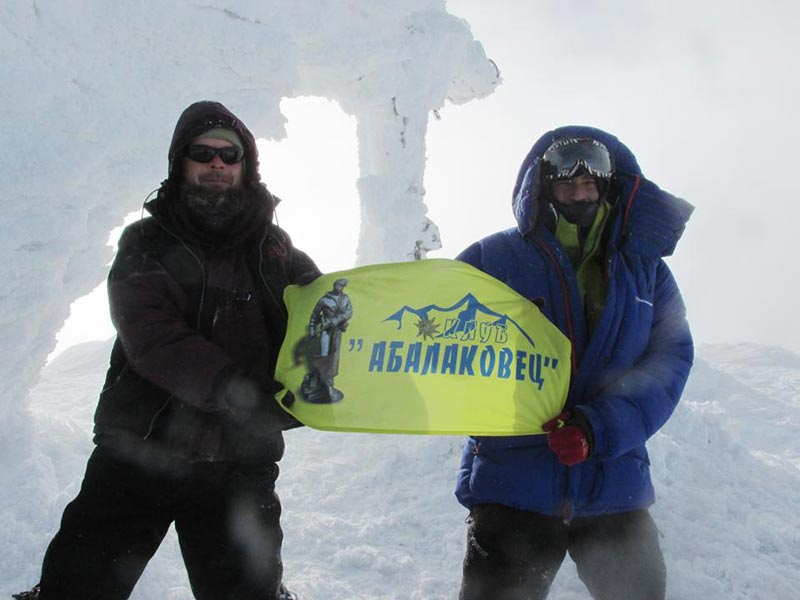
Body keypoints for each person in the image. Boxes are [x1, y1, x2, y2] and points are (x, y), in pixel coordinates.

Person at [15, 101, 319, 600]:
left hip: (238, 463)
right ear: (181, 161)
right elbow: (152, 337)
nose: (217, 163)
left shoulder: (276, 250)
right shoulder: (146, 241)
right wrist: (238, 390)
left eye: (229, 153)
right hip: (140, 450)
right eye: (203, 152)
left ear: (247, 165)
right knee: (77, 589)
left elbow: (330, 313)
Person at [455, 126, 694, 600]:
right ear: (543, 186)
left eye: (589, 184)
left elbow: (669, 360)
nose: (579, 193)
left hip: (612, 483)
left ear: (607, 185)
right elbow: (445, 338)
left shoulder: (646, 271)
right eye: (566, 183)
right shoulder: (494, 258)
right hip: (514, 483)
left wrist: (597, 428)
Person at [301, 278, 353, 402]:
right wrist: (312, 330)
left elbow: (349, 312)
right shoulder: (324, 300)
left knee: (333, 358)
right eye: (337, 285)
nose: (339, 288)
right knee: (323, 356)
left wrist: (337, 320)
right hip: (325, 332)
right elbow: (314, 316)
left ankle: (328, 385)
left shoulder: (345, 299)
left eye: (341, 286)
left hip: (337, 332)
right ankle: (316, 384)